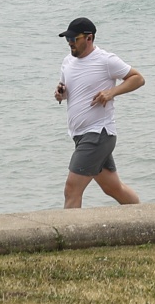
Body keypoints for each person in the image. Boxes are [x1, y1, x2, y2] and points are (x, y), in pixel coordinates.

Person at [54, 16, 146, 208]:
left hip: (98, 134)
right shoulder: (67, 62)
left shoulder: (105, 60)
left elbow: (137, 78)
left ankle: (69, 235)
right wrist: (60, 93)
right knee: (113, 188)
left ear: (89, 38)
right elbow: (67, 90)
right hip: (80, 135)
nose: (70, 43)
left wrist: (112, 92)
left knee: (72, 189)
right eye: (67, 40)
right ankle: (143, 214)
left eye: (74, 39)